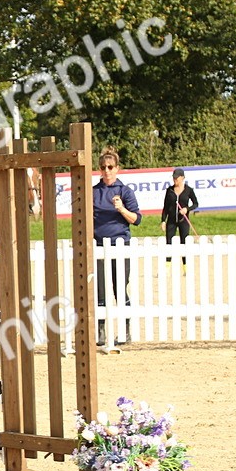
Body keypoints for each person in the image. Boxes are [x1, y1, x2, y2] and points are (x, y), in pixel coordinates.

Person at [93, 147, 141, 346]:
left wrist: (121, 208)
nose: (107, 170)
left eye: (110, 167)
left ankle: (125, 331)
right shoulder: (93, 192)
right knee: (101, 291)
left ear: (117, 168)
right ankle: (101, 332)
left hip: (120, 245)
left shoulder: (125, 191)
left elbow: (137, 219)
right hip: (98, 246)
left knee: (120, 289)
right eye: (103, 167)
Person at [160, 168, 199, 269]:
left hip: (183, 220)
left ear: (182, 178)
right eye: (174, 178)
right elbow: (165, 207)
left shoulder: (189, 190)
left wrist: (187, 209)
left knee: (184, 243)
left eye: (177, 178)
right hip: (171, 220)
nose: (175, 180)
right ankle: (167, 266)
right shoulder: (170, 190)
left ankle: (185, 266)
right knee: (169, 242)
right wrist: (163, 220)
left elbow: (195, 204)